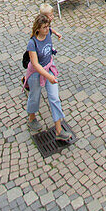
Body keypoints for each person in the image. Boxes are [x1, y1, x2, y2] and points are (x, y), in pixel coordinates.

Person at [25, 14, 73, 144]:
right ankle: (32, 118)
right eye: (44, 27)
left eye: (48, 26)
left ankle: (58, 131)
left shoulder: (49, 33)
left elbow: (52, 31)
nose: (47, 29)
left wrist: (57, 34)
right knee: (35, 96)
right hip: (36, 73)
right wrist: (49, 77)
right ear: (38, 29)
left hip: (49, 68)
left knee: (54, 98)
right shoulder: (32, 43)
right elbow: (35, 64)